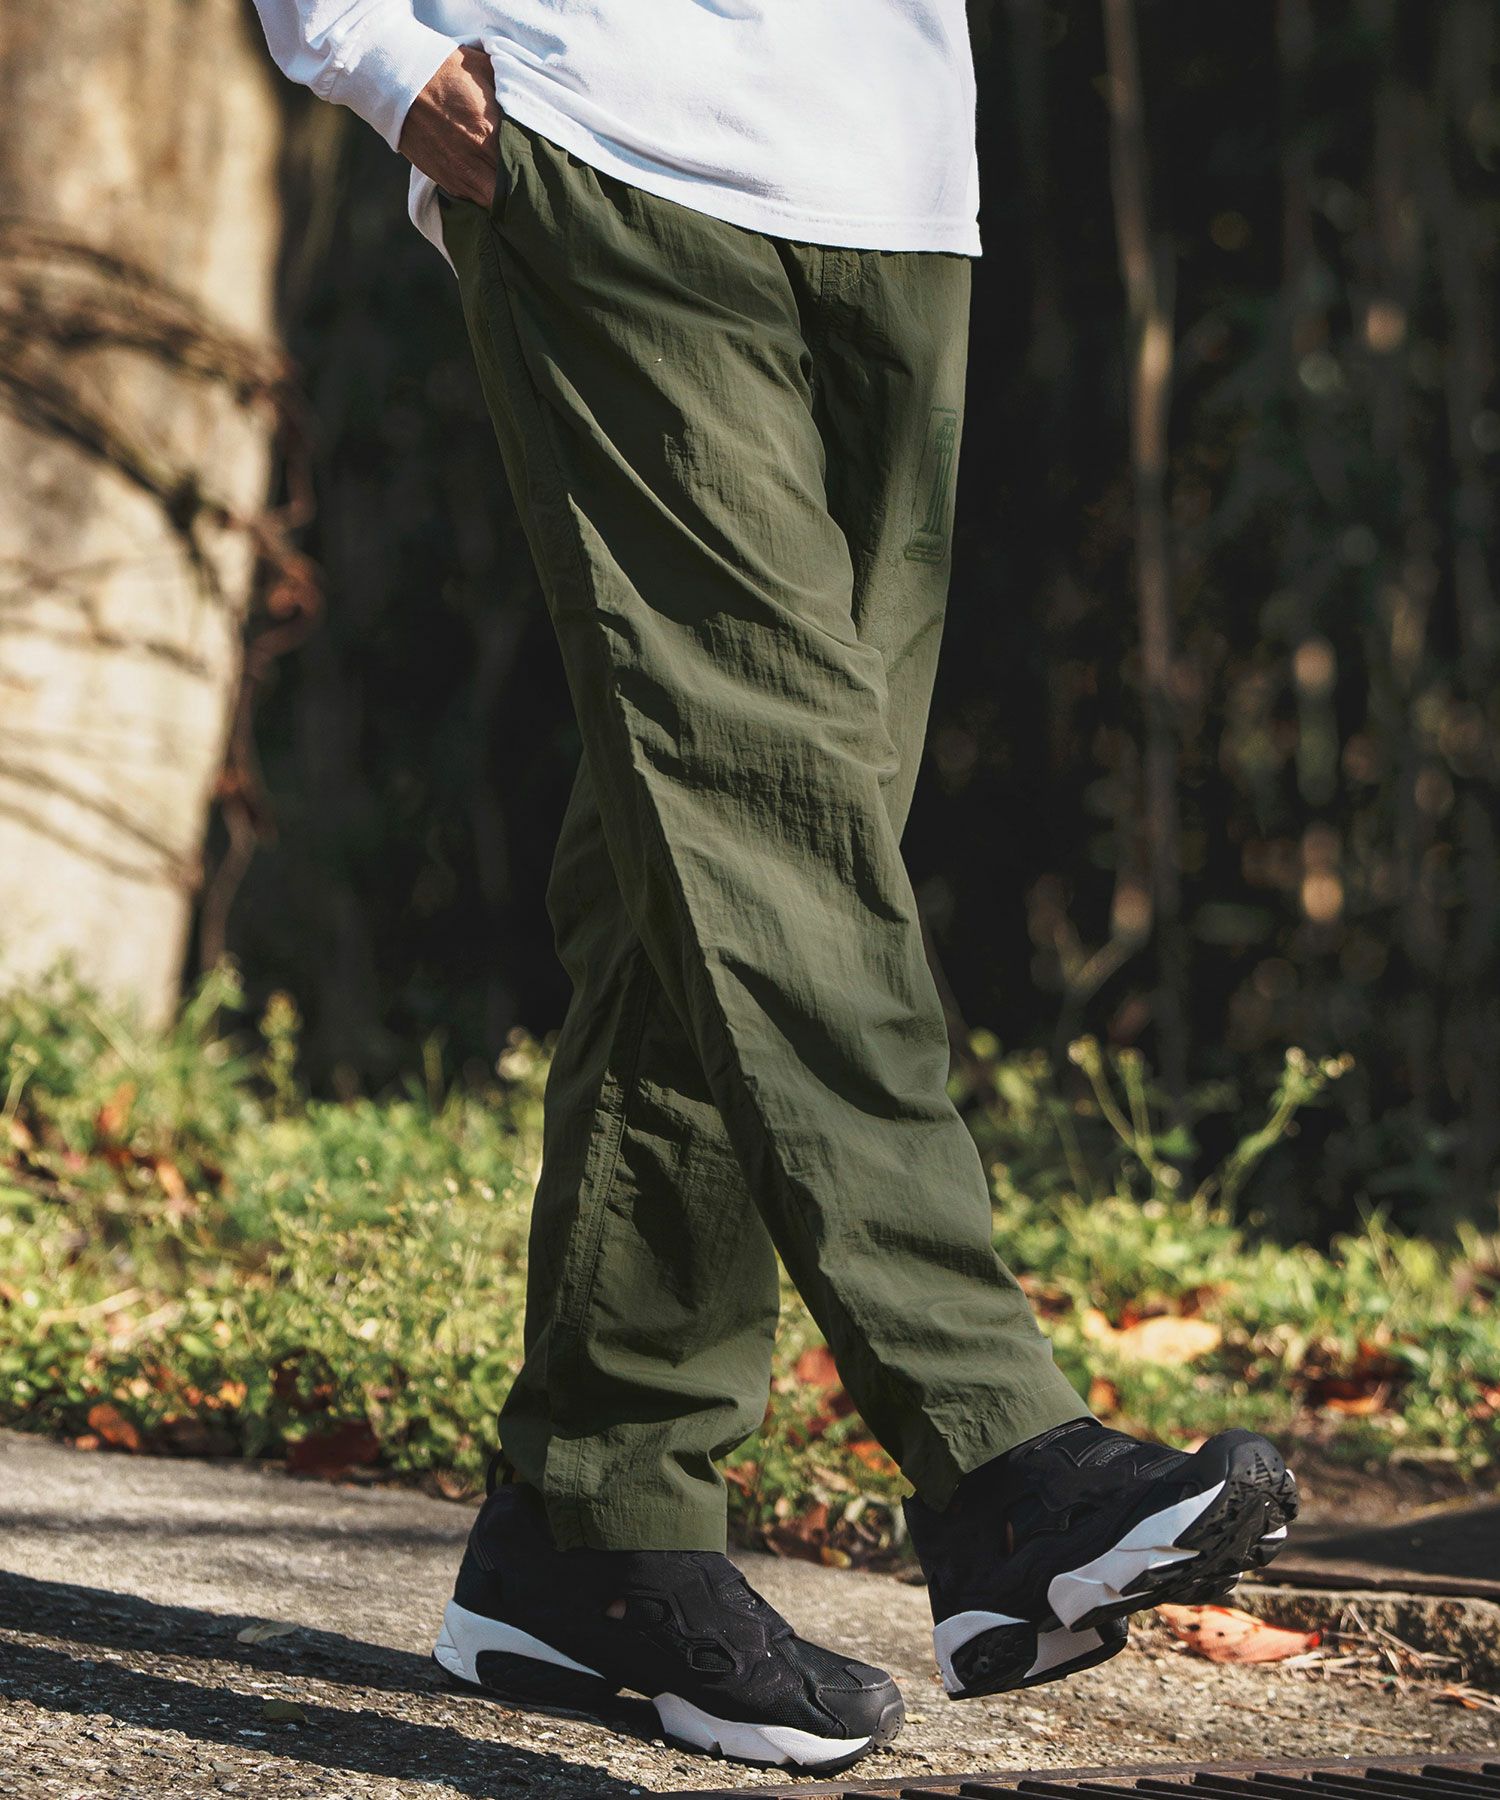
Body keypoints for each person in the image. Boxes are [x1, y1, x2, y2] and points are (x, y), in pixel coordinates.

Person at [249, 3, 1298, 1775]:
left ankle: (595, 1524)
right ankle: (1000, 1456)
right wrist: (357, 43)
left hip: (896, 182)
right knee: (770, 828)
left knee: (722, 869)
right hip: (609, 137)